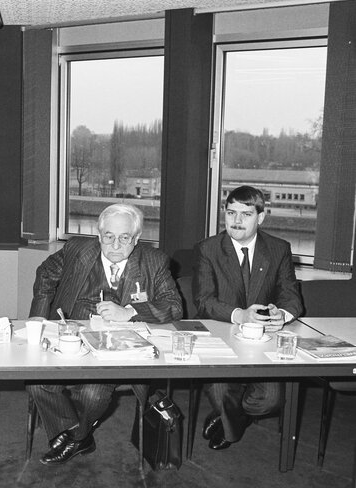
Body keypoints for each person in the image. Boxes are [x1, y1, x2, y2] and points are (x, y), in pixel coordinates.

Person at [27, 203, 182, 466]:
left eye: (124, 238)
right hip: (71, 335)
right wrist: (40, 316)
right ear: (99, 236)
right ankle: (77, 432)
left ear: (136, 240)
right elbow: (45, 275)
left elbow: (174, 306)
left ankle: (75, 437)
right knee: (36, 380)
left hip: (118, 348)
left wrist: (131, 312)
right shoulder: (77, 250)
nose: (115, 245)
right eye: (108, 236)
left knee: (93, 394)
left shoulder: (154, 262)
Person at [194, 185, 303, 450]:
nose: (237, 221)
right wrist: (240, 315)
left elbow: (291, 296)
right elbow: (203, 301)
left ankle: (229, 417)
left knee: (270, 400)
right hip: (221, 335)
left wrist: (283, 314)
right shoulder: (208, 249)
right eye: (231, 213)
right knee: (220, 393)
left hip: (263, 342)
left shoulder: (278, 249)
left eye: (246, 214)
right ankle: (230, 421)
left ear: (261, 217)